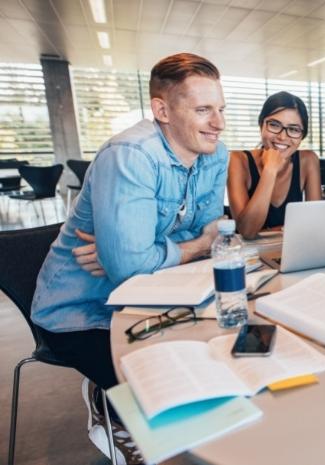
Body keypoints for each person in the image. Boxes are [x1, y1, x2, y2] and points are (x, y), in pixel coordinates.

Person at [30, 53, 228, 464]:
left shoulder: (215, 154)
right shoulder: (131, 155)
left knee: (215, 360)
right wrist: (177, 249)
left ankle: (118, 394)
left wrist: (140, 254)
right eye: (204, 109)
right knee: (168, 392)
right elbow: (190, 246)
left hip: (154, 297)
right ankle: (111, 404)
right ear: (162, 109)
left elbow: (207, 239)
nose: (218, 123)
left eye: (221, 109)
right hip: (80, 310)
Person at [227, 91, 321, 238]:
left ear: (302, 135)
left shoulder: (308, 160)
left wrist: (270, 231)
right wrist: (270, 170)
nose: (282, 137)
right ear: (261, 125)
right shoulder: (238, 160)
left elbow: (315, 224)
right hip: (249, 256)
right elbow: (247, 231)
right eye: (274, 125)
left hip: (292, 250)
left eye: (294, 129)